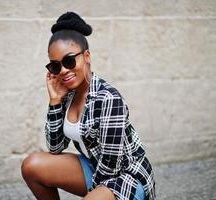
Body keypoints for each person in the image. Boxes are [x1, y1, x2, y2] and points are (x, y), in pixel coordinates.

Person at [21, 11, 155, 200]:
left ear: (86, 56)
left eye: (69, 60)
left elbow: (111, 168)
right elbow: (55, 148)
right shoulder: (67, 95)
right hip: (93, 166)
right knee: (31, 165)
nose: (63, 71)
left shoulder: (108, 98)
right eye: (55, 66)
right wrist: (54, 102)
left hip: (127, 178)